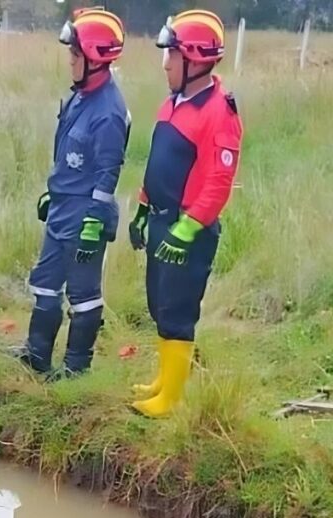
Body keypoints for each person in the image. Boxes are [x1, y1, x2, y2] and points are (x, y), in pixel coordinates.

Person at [130, 10, 243, 418]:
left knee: (178, 309)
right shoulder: (172, 103)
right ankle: (165, 378)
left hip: (188, 230)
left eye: (171, 57)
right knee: (159, 303)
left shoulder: (219, 112)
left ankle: (172, 398)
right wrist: (143, 207)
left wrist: (189, 227)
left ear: (195, 60)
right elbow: (159, 163)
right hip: (162, 220)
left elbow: (218, 181)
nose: (165, 65)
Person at [15, 8, 129, 378]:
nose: (70, 61)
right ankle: (36, 355)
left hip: (85, 216)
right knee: (45, 282)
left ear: (95, 60)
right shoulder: (80, 96)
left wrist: (94, 221)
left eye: (76, 55)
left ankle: (76, 369)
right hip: (62, 208)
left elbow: (108, 172)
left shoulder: (109, 112)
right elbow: (68, 155)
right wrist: (54, 191)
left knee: (83, 294)